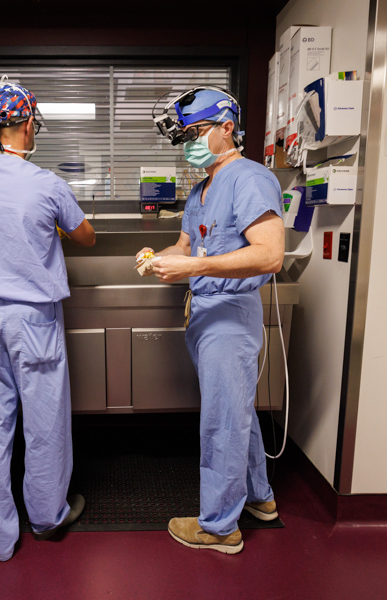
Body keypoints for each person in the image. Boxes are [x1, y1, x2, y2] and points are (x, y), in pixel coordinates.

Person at [0, 79, 95, 561]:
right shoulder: (45, 184)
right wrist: (54, 223)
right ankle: (48, 517)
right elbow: (86, 236)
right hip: (32, 320)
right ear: (28, 125)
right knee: (45, 423)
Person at [137, 87, 285, 554]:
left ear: (227, 128)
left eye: (197, 133)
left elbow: (270, 255)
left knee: (222, 421)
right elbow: (185, 247)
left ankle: (220, 527)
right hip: (203, 315)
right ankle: (260, 499)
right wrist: (157, 258)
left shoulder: (250, 178)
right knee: (237, 411)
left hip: (229, 319)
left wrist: (193, 268)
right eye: (186, 137)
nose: (190, 145)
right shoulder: (201, 189)